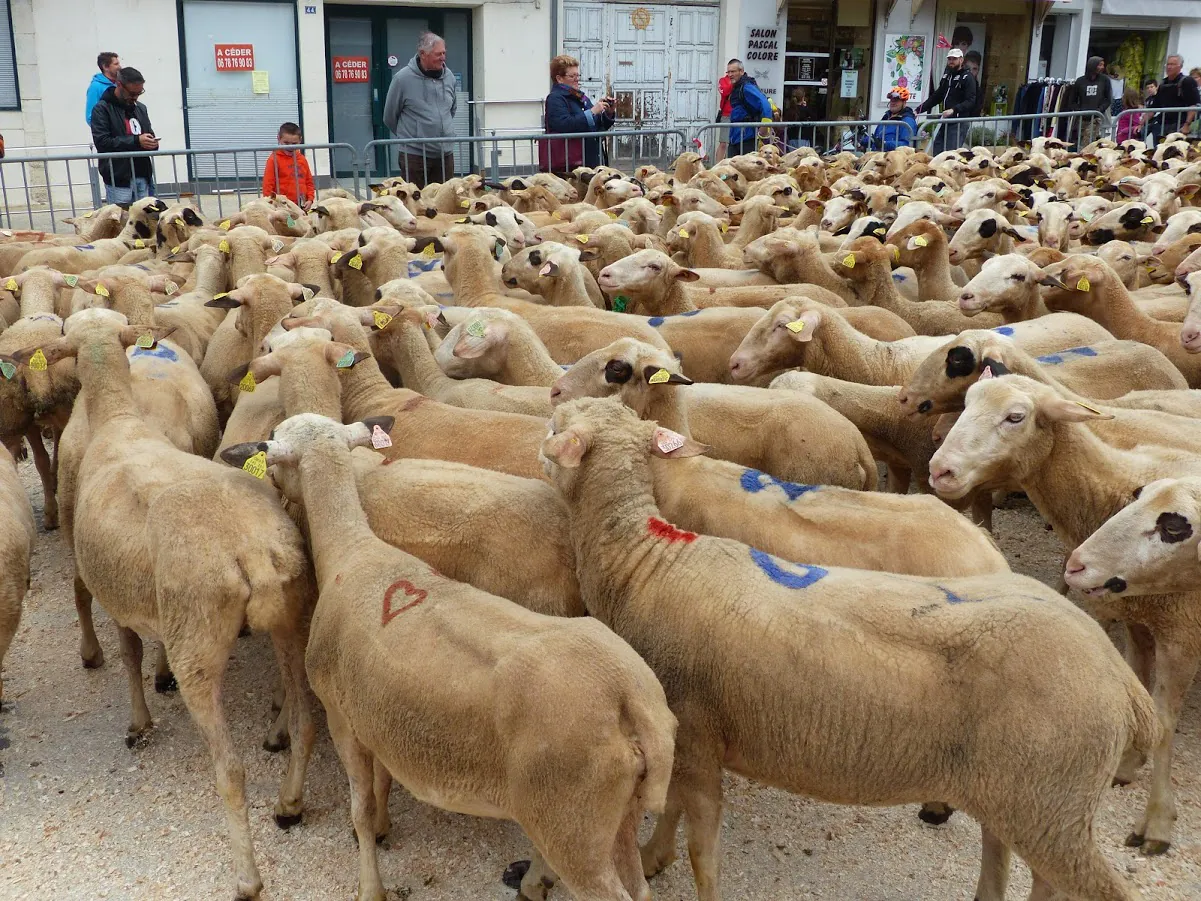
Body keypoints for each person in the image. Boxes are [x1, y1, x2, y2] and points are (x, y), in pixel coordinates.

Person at [381, 32, 457, 188]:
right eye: (438, 54)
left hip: (445, 155)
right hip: (414, 156)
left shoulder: (449, 76)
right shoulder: (402, 79)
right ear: (423, 54)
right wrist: (412, 137)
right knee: (416, 205)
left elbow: (452, 109)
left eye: (444, 53)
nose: (443, 57)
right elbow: (389, 117)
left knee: (444, 205)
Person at [89, 66, 157, 204]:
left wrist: (152, 143)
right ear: (119, 85)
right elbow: (102, 142)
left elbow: (148, 133)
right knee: (120, 220)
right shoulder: (102, 109)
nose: (135, 97)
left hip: (143, 174)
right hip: (118, 177)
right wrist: (136, 141)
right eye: (132, 93)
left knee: (145, 221)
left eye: (139, 93)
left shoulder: (140, 108)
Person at [539, 54, 614, 175]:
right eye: (572, 76)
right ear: (559, 79)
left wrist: (608, 113)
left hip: (590, 159)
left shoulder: (580, 97)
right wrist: (592, 112)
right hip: (570, 164)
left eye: (577, 75)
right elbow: (564, 125)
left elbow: (596, 126)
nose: (577, 79)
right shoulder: (555, 99)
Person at [917, 48, 977, 154]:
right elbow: (937, 96)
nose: (951, 61)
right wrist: (918, 110)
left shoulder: (968, 77)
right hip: (944, 120)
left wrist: (954, 110)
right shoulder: (947, 76)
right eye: (949, 59)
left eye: (954, 58)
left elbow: (971, 101)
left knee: (951, 154)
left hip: (958, 122)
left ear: (961, 60)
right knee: (937, 152)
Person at [1144, 54, 1200, 142]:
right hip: (1163, 125)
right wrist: (1141, 123)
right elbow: (1154, 107)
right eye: (1168, 64)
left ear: (1180, 66)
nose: (1169, 67)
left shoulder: (1187, 81)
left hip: (1180, 125)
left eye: (1172, 64)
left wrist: (1186, 125)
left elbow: (1193, 105)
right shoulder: (1163, 83)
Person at [725, 59, 773, 157]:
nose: (730, 75)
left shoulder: (746, 87)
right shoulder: (738, 86)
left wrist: (764, 127)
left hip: (747, 137)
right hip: (736, 137)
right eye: (728, 72)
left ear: (741, 71)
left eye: (733, 71)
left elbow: (765, 104)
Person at [262, 122, 314, 210]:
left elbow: (308, 182)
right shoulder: (273, 160)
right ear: (279, 139)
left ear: (300, 140)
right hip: (283, 207)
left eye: (294, 143)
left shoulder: (302, 159)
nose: (290, 147)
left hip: (301, 205)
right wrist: (270, 204)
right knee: (290, 224)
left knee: (304, 223)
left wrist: (310, 199)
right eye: (286, 143)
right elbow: (268, 185)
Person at [1072, 56, 1113, 148]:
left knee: (1088, 142)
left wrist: (1099, 110)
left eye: (1103, 65)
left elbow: (1108, 99)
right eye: (1099, 65)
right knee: (1079, 140)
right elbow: (1073, 99)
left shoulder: (1105, 80)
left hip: (1096, 117)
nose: (1102, 67)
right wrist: (1079, 110)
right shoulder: (1080, 81)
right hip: (1082, 117)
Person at [86, 52, 120, 126]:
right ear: (105, 67)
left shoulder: (120, 83)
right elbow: (90, 117)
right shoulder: (95, 87)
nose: (120, 67)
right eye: (116, 64)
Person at [715, 72, 733, 160]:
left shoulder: (743, 81)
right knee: (723, 143)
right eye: (730, 71)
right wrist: (734, 83)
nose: (731, 74)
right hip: (727, 115)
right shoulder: (723, 80)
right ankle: (717, 167)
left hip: (739, 115)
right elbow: (724, 91)